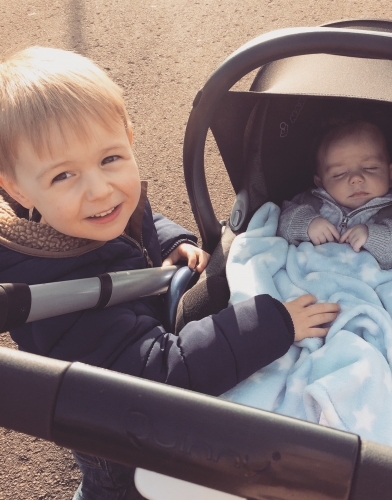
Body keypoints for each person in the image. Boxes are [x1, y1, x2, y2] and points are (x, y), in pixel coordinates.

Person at [0, 47, 340, 500]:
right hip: (118, 435)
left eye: (110, 159)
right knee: (117, 489)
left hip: (134, 342)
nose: (100, 189)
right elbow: (158, 379)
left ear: (128, 138)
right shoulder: (55, 298)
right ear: (17, 188)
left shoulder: (85, 217)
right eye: (63, 176)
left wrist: (168, 241)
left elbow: (138, 221)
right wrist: (272, 324)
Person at [277, 121, 392, 269]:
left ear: (391, 174)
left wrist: (373, 236)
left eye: (370, 168)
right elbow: (281, 226)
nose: (356, 179)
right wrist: (307, 224)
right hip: (313, 275)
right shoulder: (310, 202)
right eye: (339, 174)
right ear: (321, 182)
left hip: (370, 280)